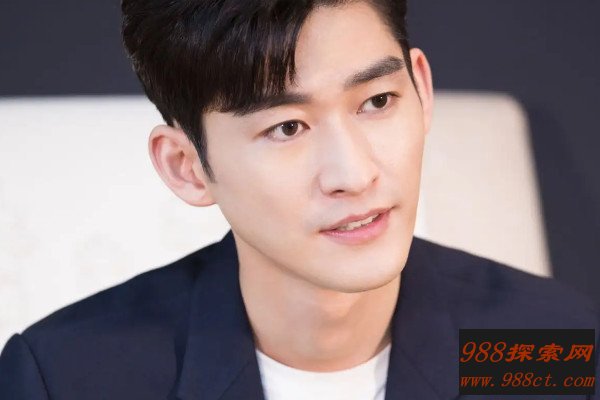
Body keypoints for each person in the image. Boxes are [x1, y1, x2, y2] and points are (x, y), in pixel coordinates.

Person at [0, 1, 597, 399]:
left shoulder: (548, 344)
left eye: (378, 102)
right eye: (286, 127)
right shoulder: (67, 377)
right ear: (187, 167)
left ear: (421, 89)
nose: (354, 174)